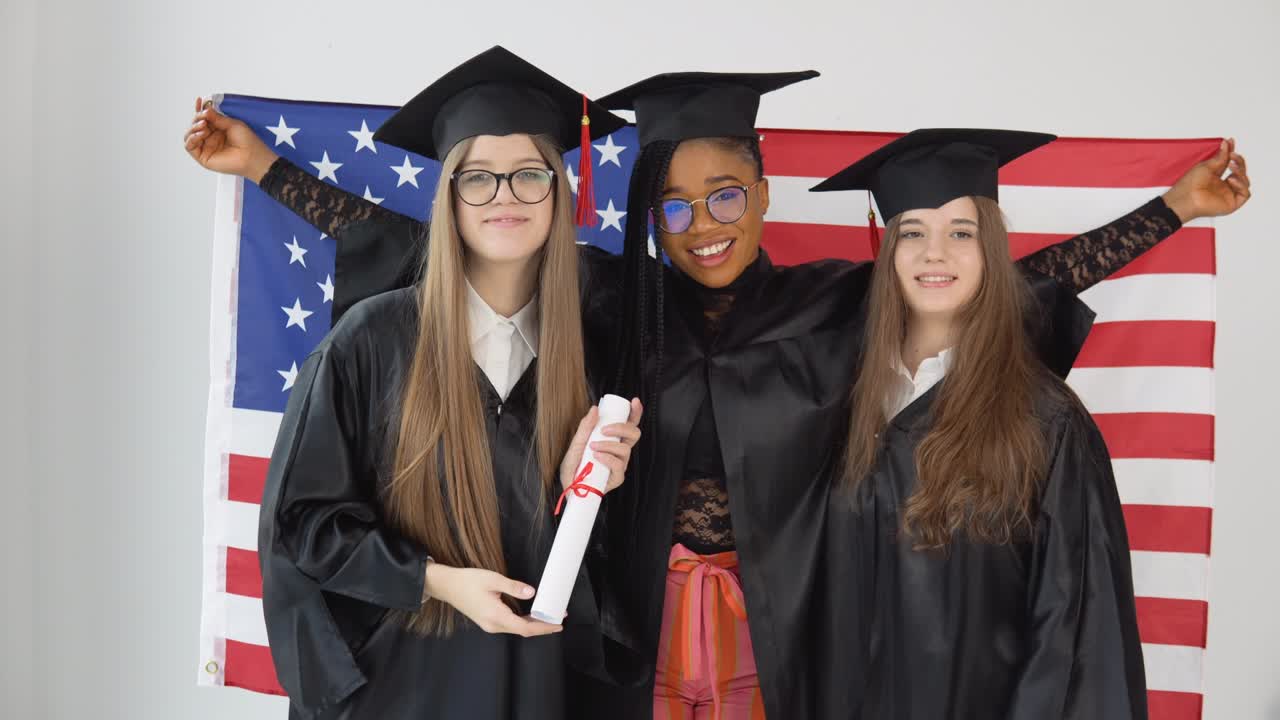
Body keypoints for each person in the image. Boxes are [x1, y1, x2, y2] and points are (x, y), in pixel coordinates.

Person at [247, 46, 643, 720]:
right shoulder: (372, 340)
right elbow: (300, 527)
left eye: (529, 175)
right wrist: (435, 582)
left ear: (559, 191)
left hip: (537, 682)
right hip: (404, 681)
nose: (504, 197)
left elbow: (598, 563)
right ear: (451, 197)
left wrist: (576, 489)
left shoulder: (593, 353)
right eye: (478, 178)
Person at [814, 129, 1172, 719]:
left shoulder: (1046, 420)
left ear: (991, 251)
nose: (936, 253)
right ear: (888, 252)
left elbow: (1082, 623)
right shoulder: (841, 402)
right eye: (913, 233)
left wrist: (1176, 206)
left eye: (961, 232)